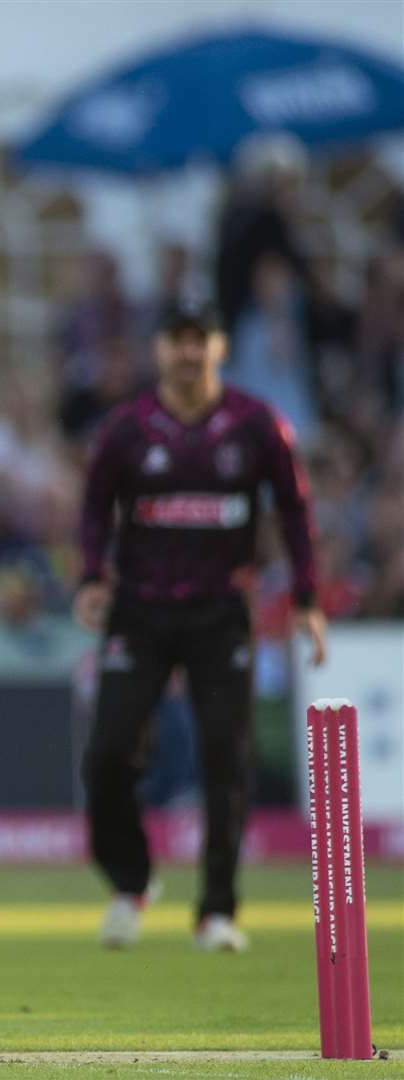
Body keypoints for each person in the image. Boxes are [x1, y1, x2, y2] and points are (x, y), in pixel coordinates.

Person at [73, 298, 326, 953]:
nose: (188, 353)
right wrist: (90, 579)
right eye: (177, 341)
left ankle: (217, 910)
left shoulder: (255, 424)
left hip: (220, 610)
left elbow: (296, 511)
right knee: (107, 754)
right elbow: (94, 510)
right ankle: (131, 883)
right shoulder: (128, 428)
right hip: (141, 608)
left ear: (218, 348)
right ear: (159, 350)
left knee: (226, 756)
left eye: (200, 340)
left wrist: (306, 597)